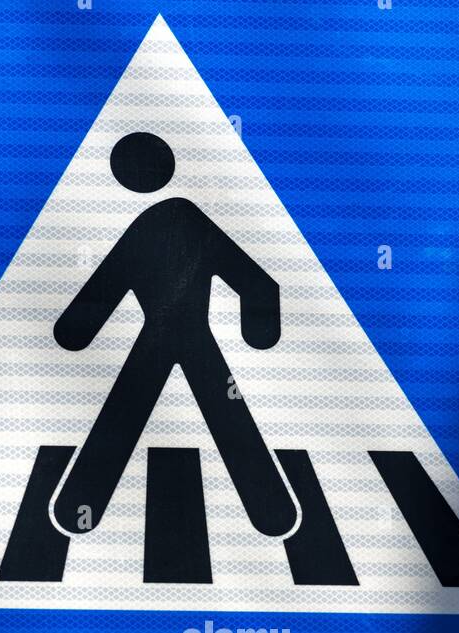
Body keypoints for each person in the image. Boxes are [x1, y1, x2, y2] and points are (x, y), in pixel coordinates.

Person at [51, 131, 298, 538]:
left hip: (164, 340)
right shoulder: (178, 221)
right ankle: (271, 509)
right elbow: (256, 282)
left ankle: (81, 503)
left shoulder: (163, 223)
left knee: (125, 414)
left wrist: (75, 331)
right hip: (187, 340)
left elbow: (102, 291)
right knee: (223, 413)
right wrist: (258, 329)